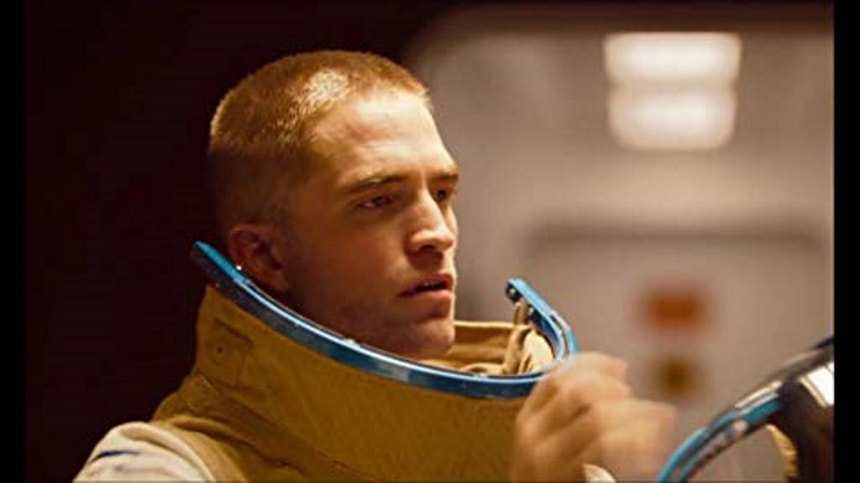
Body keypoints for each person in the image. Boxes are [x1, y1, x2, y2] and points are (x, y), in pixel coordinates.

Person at [74, 50, 677, 482]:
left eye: (442, 193)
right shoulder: (161, 466)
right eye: (377, 202)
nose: (438, 233)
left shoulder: (553, 462)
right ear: (266, 256)